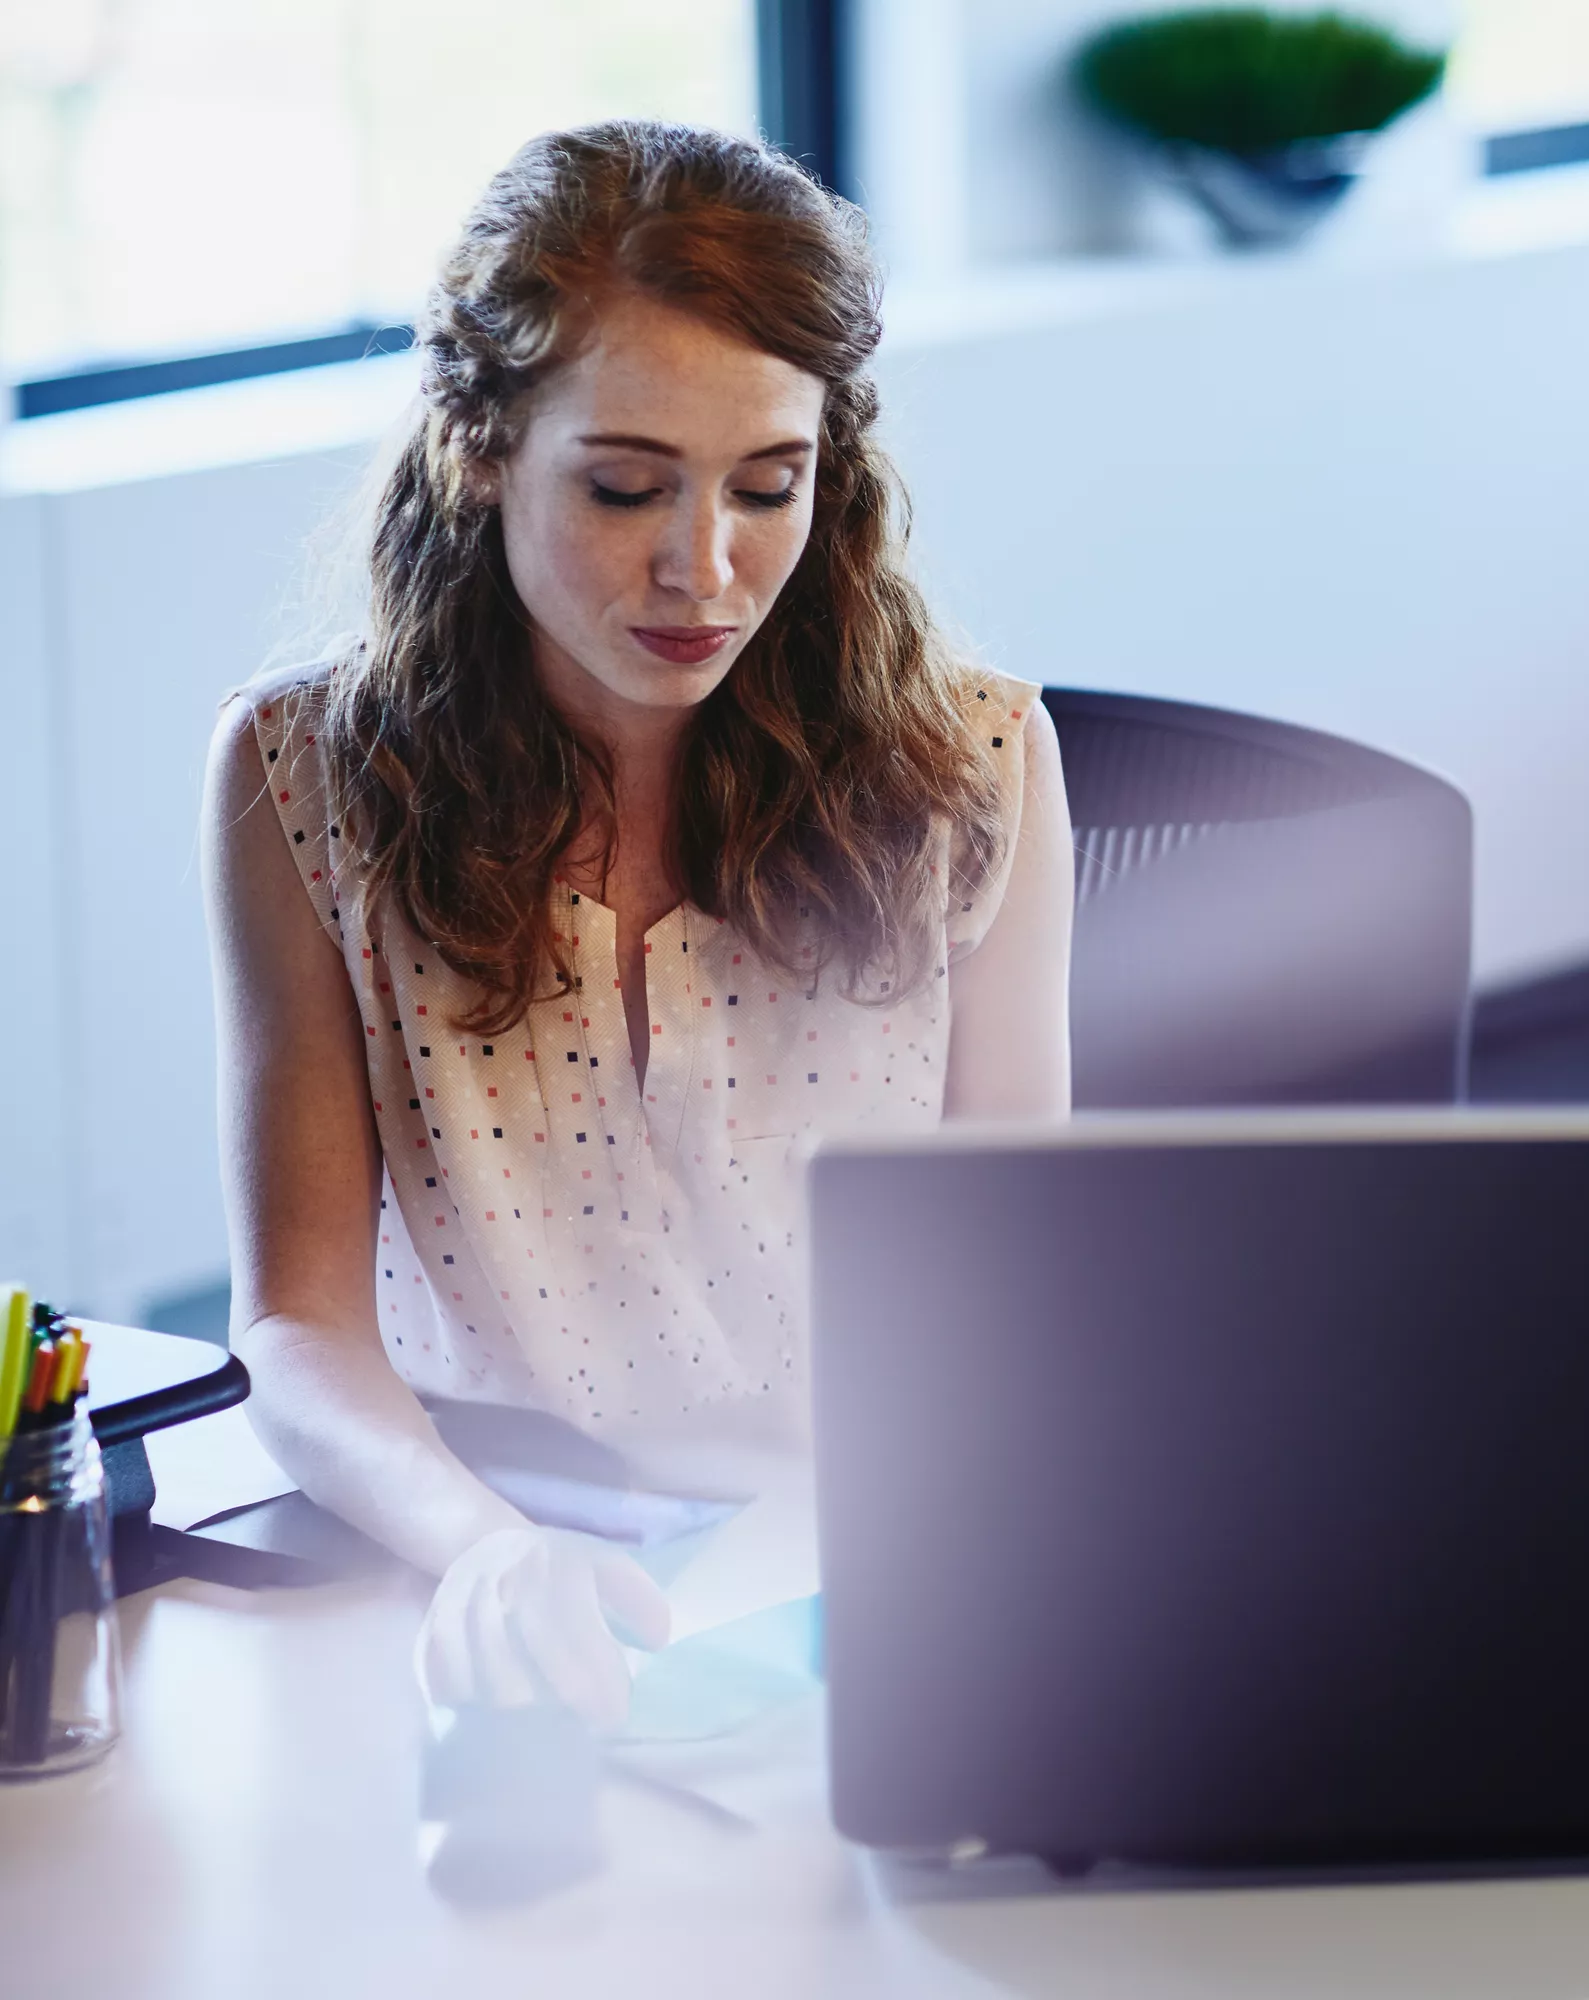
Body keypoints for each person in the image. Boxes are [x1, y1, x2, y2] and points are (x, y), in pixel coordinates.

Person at [201, 123, 1072, 1729]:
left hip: (864, 1566)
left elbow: (1014, 1283)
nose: (707, 569)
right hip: (475, 1555)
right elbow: (297, 1325)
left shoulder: (976, 765)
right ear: (480, 445)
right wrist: (484, 1551)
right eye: (623, 487)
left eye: (770, 485)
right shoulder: (306, 775)